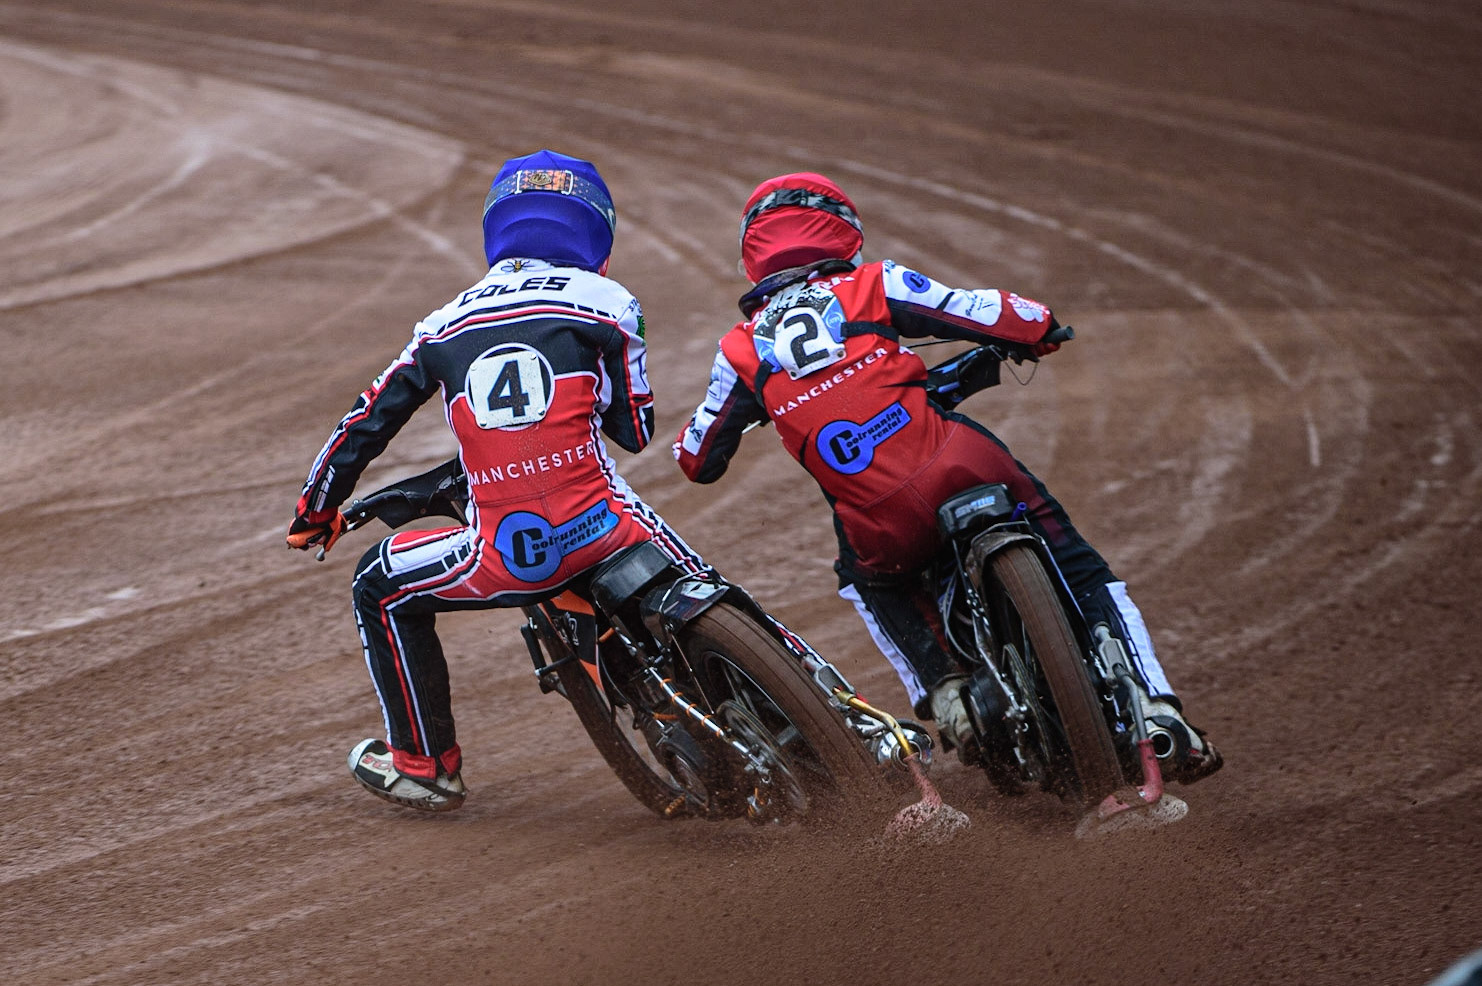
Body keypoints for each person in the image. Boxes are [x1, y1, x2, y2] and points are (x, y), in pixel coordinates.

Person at [673, 172, 1221, 784]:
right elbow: (988, 312)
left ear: (754, 254)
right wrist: (1039, 328)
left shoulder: (739, 348)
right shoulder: (873, 282)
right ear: (844, 232)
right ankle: (1152, 708)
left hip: (877, 520)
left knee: (868, 583)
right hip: (956, 462)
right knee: (1078, 563)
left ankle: (948, 695)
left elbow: (696, 460)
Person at [286, 149, 711, 812]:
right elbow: (634, 429)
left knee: (377, 585)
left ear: (496, 228)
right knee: (707, 583)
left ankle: (425, 766)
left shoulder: (439, 327)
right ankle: (833, 703)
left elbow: (362, 424)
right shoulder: (609, 302)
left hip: (504, 555)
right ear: (595, 228)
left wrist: (316, 510)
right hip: (606, 527)